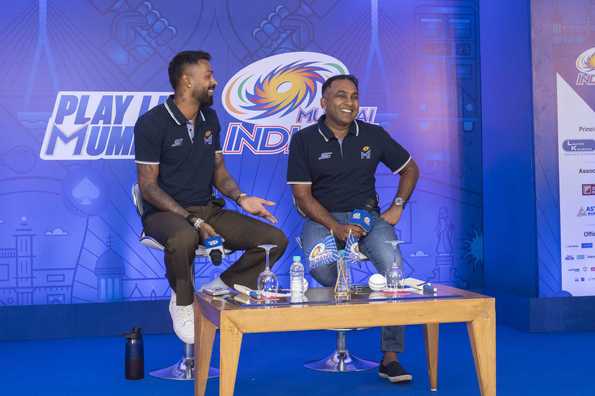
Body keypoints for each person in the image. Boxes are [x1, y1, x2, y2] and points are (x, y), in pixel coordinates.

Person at [134, 50, 288, 344]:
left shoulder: (210, 118)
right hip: (164, 214)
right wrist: (191, 219)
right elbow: (148, 187)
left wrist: (241, 197)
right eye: (208, 76)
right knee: (184, 238)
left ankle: (219, 289)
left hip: (207, 209)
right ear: (186, 81)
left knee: (274, 241)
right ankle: (182, 300)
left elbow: (218, 170)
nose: (215, 82)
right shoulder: (151, 123)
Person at [287, 74, 419, 383]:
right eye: (341, 96)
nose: (349, 102)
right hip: (322, 219)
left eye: (354, 96)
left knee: (394, 271)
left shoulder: (374, 135)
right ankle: (357, 310)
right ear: (324, 102)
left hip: (369, 220)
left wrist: (398, 204)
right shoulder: (305, 140)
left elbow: (410, 169)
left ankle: (389, 358)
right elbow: (302, 197)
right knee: (322, 269)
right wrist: (336, 227)